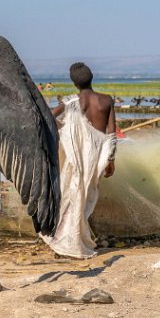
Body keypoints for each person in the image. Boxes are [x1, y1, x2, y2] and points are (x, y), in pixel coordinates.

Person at [43, 62, 117, 259]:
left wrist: (64, 131)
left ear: (74, 83)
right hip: (96, 157)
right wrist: (110, 159)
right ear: (92, 77)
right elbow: (111, 134)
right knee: (86, 196)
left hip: (76, 157)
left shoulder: (70, 103)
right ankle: (75, 239)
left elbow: (49, 117)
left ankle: (66, 240)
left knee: (72, 193)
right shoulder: (106, 101)